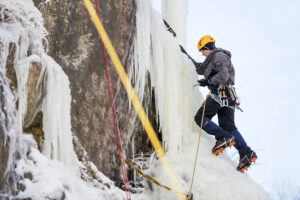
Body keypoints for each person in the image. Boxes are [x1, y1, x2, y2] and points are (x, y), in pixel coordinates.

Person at [180, 35, 257, 172]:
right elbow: (199, 69)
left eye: (202, 50)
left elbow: (223, 76)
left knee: (200, 118)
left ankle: (223, 137)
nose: (202, 53)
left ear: (208, 47)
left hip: (220, 94)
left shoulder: (219, 56)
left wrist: (208, 82)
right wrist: (185, 55)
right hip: (228, 97)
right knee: (228, 126)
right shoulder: (210, 60)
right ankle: (246, 153)